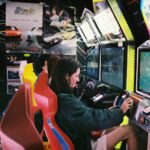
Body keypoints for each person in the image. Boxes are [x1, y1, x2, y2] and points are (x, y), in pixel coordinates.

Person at [50, 58, 138, 150]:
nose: (78, 79)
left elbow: (86, 116)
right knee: (129, 130)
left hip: (82, 139)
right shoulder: (66, 101)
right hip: (85, 146)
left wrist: (111, 112)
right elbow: (92, 117)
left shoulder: (59, 95)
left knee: (114, 128)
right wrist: (120, 112)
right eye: (76, 76)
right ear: (67, 76)